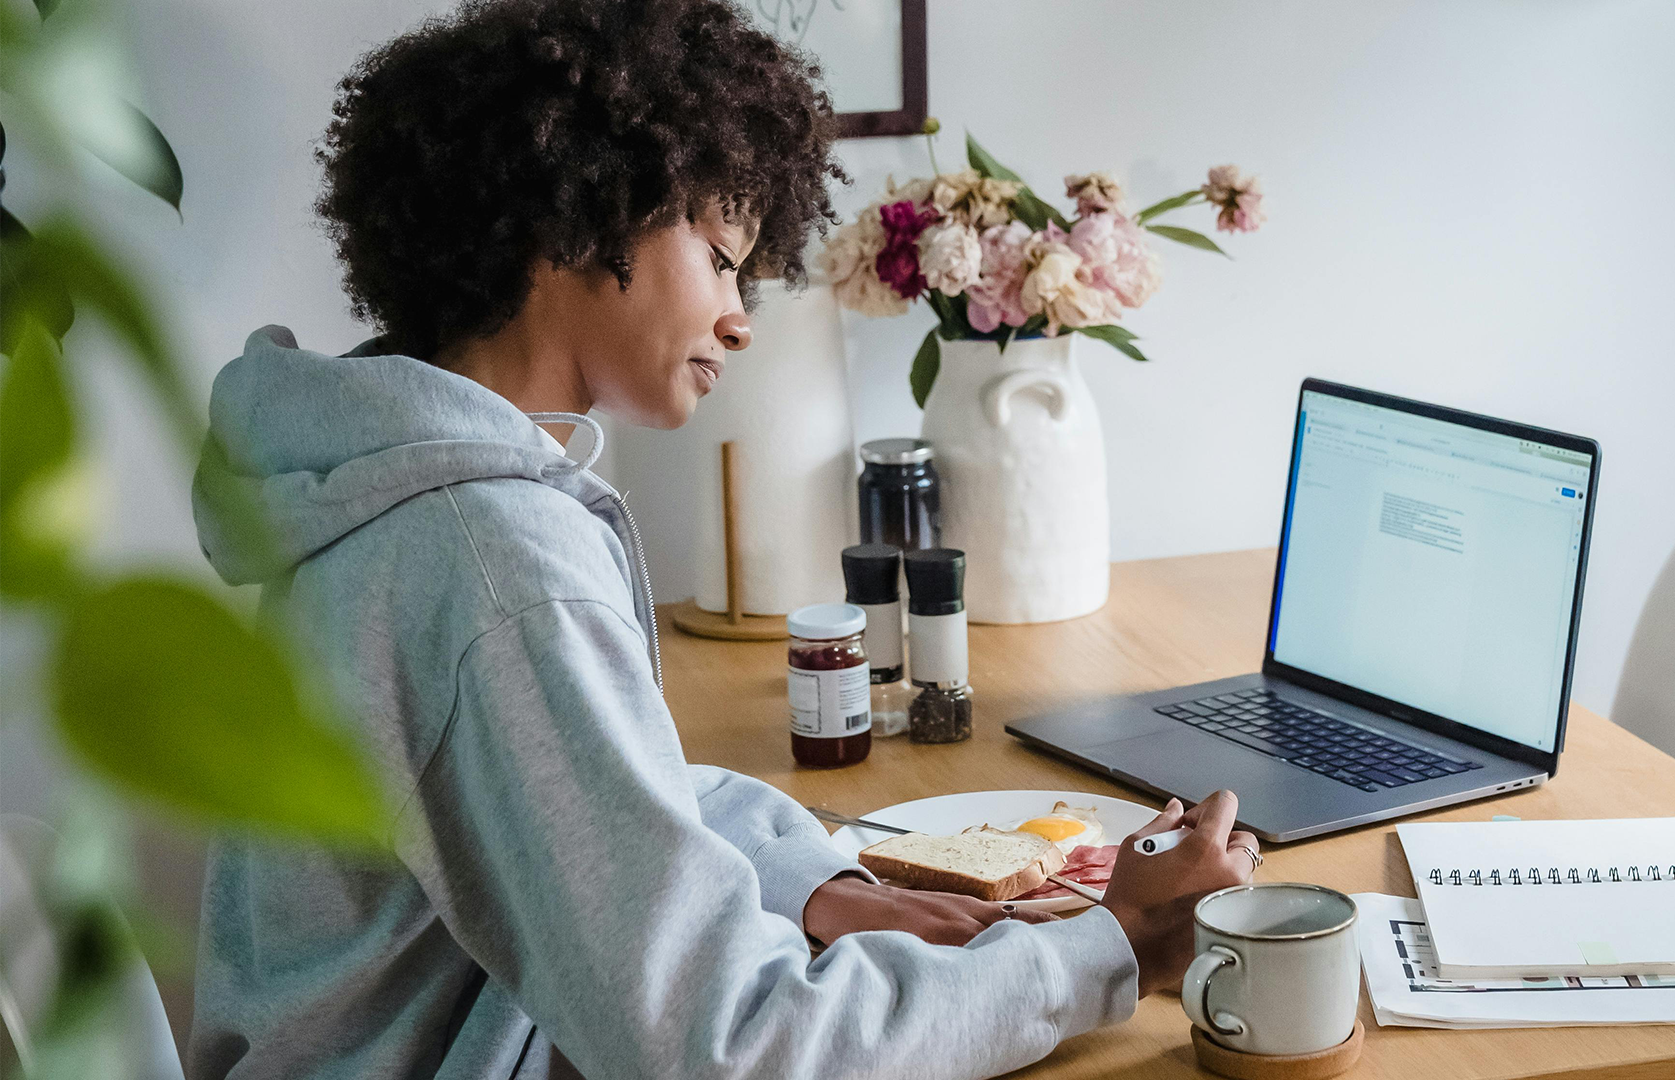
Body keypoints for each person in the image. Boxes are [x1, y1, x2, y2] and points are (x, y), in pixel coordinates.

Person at [187, 1, 1260, 1077]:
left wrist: (816, 887)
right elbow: (734, 1048)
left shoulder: (386, 480)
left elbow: (596, 797)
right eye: (719, 256)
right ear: (575, 220)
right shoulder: (495, 563)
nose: (742, 315)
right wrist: (1109, 947)